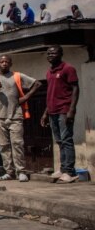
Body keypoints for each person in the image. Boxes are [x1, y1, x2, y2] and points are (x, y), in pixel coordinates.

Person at [0, 55, 40, 182]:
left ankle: (21, 171)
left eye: (6, 62)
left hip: (15, 116)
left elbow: (37, 84)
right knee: (4, 146)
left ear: (10, 64)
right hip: (0, 117)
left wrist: (26, 97)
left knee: (17, 144)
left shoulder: (17, 76)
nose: (4, 64)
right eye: (1, 62)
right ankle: (9, 172)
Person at [41, 45, 80, 184]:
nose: (50, 55)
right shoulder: (49, 72)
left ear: (61, 54)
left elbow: (75, 89)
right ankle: (63, 168)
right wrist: (45, 113)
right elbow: (50, 94)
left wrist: (72, 110)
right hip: (52, 111)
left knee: (66, 139)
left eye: (54, 53)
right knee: (59, 141)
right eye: (48, 53)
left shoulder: (68, 69)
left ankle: (69, 171)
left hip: (64, 110)